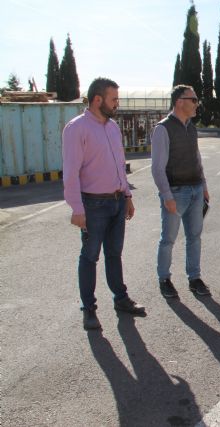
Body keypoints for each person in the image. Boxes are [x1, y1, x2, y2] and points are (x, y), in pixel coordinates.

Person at [62, 77, 146, 331]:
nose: (117, 104)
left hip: (117, 201)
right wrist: (77, 208)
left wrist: (127, 196)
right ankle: (89, 310)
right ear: (98, 100)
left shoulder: (112, 127)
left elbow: (120, 164)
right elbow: (71, 173)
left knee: (114, 254)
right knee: (90, 257)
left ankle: (121, 298)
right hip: (93, 205)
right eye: (114, 99)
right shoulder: (76, 128)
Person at [151, 85, 211, 298]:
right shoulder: (163, 129)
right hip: (176, 192)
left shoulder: (191, 127)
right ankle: (164, 279)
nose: (197, 104)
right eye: (193, 99)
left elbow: (197, 157)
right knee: (168, 239)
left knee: (194, 237)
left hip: (195, 189)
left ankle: (194, 278)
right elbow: (157, 168)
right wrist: (167, 196)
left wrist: (204, 185)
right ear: (179, 102)